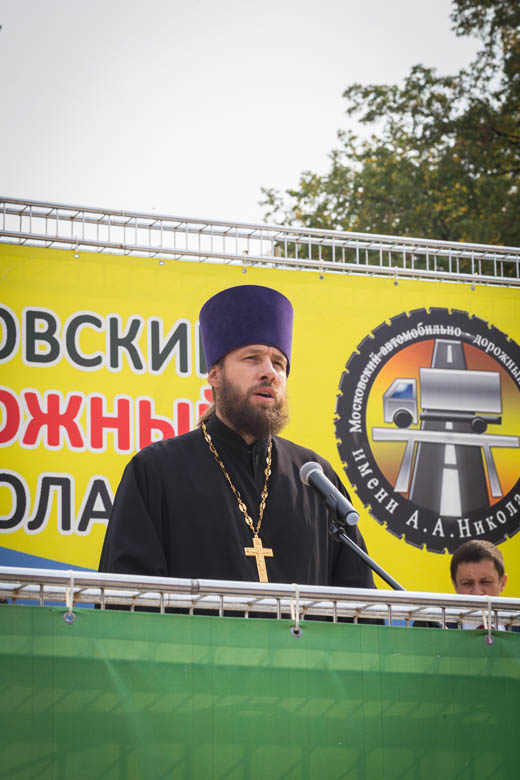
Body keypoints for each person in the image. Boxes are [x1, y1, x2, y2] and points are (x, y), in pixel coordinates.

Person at [99, 284, 375, 589]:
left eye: (279, 363)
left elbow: (359, 600)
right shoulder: (156, 471)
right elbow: (127, 596)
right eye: (252, 358)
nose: (270, 372)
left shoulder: (316, 480)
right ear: (215, 375)